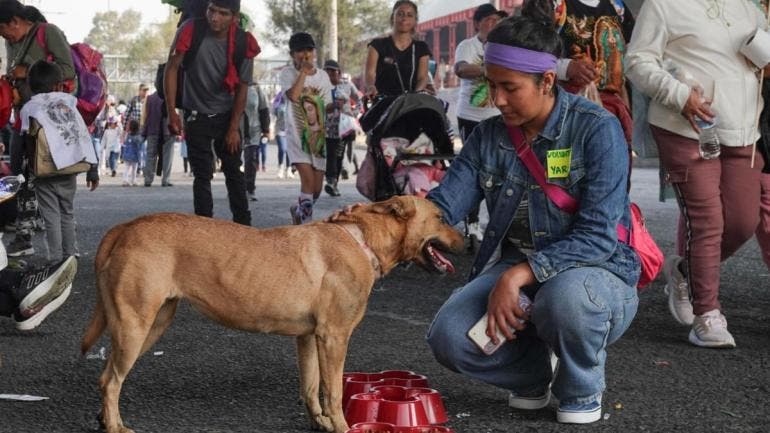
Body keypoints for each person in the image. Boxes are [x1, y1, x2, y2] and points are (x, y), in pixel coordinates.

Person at [423, 3, 639, 424]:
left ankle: (580, 386)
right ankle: (533, 374)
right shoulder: (488, 135)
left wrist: (517, 274)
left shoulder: (596, 128)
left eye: (509, 87)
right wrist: (381, 221)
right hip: (517, 271)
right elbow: (442, 206)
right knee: (448, 337)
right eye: (490, 86)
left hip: (596, 271)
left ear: (545, 80)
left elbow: (597, 237)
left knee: (566, 299)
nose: (497, 100)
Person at [625, 0, 767, 348]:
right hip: (684, 126)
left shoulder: (749, 8)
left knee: (742, 223)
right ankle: (707, 315)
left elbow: (759, 64)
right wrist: (679, 95)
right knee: (706, 222)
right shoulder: (662, 6)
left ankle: (685, 272)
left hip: (744, 132)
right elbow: (637, 61)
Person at [164, 0, 260, 226]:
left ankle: (244, 227)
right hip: (195, 114)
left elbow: (242, 88)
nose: (215, 17)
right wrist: (172, 112)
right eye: (211, 10)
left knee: (233, 172)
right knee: (202, 174)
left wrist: (234, 127)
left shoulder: (243, 42)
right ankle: (204, 228)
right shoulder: (190, 30)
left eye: (222, 13)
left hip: (228, 114)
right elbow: (172, 68)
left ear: (234, 17)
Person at [0, 0, 74, 258]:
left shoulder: (47, 32)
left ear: (14, 22)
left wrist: (28, 71)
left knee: (42, 179)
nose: (4, 37)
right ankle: (25, 236)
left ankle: (52, 244)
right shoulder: (12, 42)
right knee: (22, 175)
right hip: (23, 117)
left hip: (48, 122)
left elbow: (68, 71)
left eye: (4, 31)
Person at [19, 60, 99, 263]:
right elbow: (83, 136)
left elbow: (23, 141)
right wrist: (93, 169)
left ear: (31, 86)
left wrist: (20, 169)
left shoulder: (30, 108)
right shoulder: (69, 105)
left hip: (44, 170)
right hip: (69, 168)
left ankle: (55, 259)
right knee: (67, 212)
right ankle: (70, 255)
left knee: (51, 216)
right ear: (58, 85)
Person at [454, 3, 508, 241]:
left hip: (501, 116)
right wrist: (490, 70)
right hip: (471, 117)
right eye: (488, 20)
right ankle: (472, 221)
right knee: (475, 168)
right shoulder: (468, 46)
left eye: (497, 20)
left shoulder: (506, 46)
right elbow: (462, 69)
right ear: (477, 23)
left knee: (502, 168)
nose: (493, 24)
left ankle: (498, 221)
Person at [552, 0, 635, 145]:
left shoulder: (617, 6)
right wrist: (566, 68)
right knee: (569, 163)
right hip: (567, 111)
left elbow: (633, 54)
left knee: (614, 162)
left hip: (615, 110)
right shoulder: (554, 5)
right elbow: (529, 54)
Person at [279, 32, 332, 224]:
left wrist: (338, 106)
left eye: (309, 49)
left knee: (316, 189)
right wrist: (303, 72)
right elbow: (293, 96)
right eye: (300, 50)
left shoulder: (323, 76)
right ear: (292, 54)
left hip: (317, 139)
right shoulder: (287, 73)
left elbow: (326, 105)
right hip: (297, 137)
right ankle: (305, 229)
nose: (305, 54)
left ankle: (298, 210)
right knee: (307, 182)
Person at [364, 0, 432, 98]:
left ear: (415, 21)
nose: (404, 18)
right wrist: (371, 87)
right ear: (393, 17)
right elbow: (370, 74)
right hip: (382, 101)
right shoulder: (377, 45)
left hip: (410, 103)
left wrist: (414, 96)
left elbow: (422, 78)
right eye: (400, 14)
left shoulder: (421, 48)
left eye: (409, 15)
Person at [323, 59, 360, 197]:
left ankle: (334, 183)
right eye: (327, 71)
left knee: (338, 156)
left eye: (333, 71)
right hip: (328, 127)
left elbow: (359, 100)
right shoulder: (322, 87)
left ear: (339, 72)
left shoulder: (347, 85)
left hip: (344, 128)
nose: (330, 74)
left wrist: (354, 113)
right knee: (331, 155)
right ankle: (330, 181)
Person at [142, 89, 175, 187]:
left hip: (152, 129)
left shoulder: (150, 98)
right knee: (167, 156)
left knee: (150, 155)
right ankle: (166, 179)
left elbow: (146, 115)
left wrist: (144, 131)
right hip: (167, 130)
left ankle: (148, 179)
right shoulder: (171, 96)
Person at [243, 82, 270, 201]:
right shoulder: (232, 83)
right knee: (234, 162)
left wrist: (266, 129)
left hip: (254, 129)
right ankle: (236, 187)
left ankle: (250, 188)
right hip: (235, 130)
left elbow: (264, 109)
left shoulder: (256, 88)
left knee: (251, 160)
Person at [122, 120, 142, 186]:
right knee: (134, 168)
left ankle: (125, 180)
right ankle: (133, 180)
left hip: (127, 154)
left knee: (126, 168)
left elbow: (124, 142)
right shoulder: (138, 137)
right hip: (135, 155)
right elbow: (139, 145)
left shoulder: (128, 135)